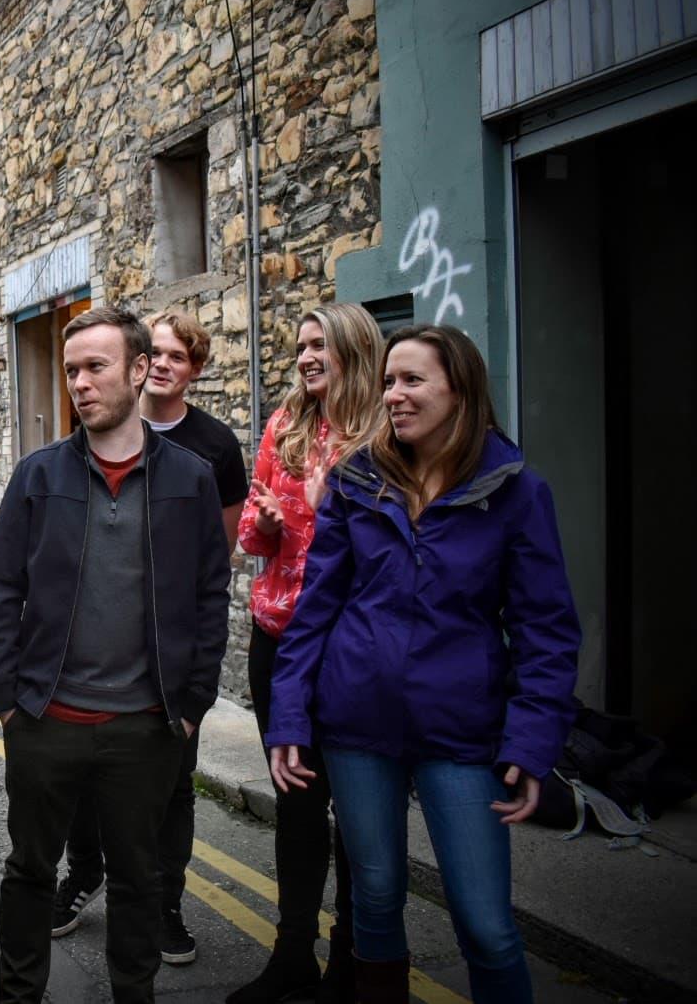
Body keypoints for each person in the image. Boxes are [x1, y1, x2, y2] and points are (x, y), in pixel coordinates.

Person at [267, 324, 579, 1003]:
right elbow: (315, 609)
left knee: (486, 925)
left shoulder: (515, 491)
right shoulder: (358, 480)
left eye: (412, 380)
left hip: (461, 732)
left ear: (459, 390)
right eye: (388, 382)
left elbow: (546, 631)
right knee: (375, 898)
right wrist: (289, 714)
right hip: (355, 723)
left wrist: (532, 740)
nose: (394, 395)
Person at [0, 308, 232, 1004]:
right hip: (44, 719)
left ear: (138, 368)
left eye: (95, 367)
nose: (80, 383)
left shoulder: (189, 477)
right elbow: (2, 586)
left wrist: (192, 704)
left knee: (137, 878)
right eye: (70, 370)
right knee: (30, 871)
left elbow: (213, 593)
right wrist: (6, 696)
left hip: (146, 725)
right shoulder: (37, 476)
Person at [50, 310, 247, 966]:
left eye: (177, 356)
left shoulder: (213, 447)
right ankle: (84, 874)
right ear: (137, 363)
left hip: (166, 648)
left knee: (170, 784)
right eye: (155, 351)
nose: (162, 364)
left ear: (192, 368)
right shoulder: (94, 430)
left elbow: (218, 556)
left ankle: (163, 901)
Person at [232, 302, 384, 1004]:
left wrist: (320, 511)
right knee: (296, 803)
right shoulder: (285, 425)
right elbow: (257, 545)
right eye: (299, 344)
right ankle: (293, 951)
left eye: (320, 343)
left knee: (359, 806)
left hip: (354, 648)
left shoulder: (384, 432)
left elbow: (390, 552)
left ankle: (354, 960)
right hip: (279, 638)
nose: (305, 356)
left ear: (354, 348)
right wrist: (265, 525)